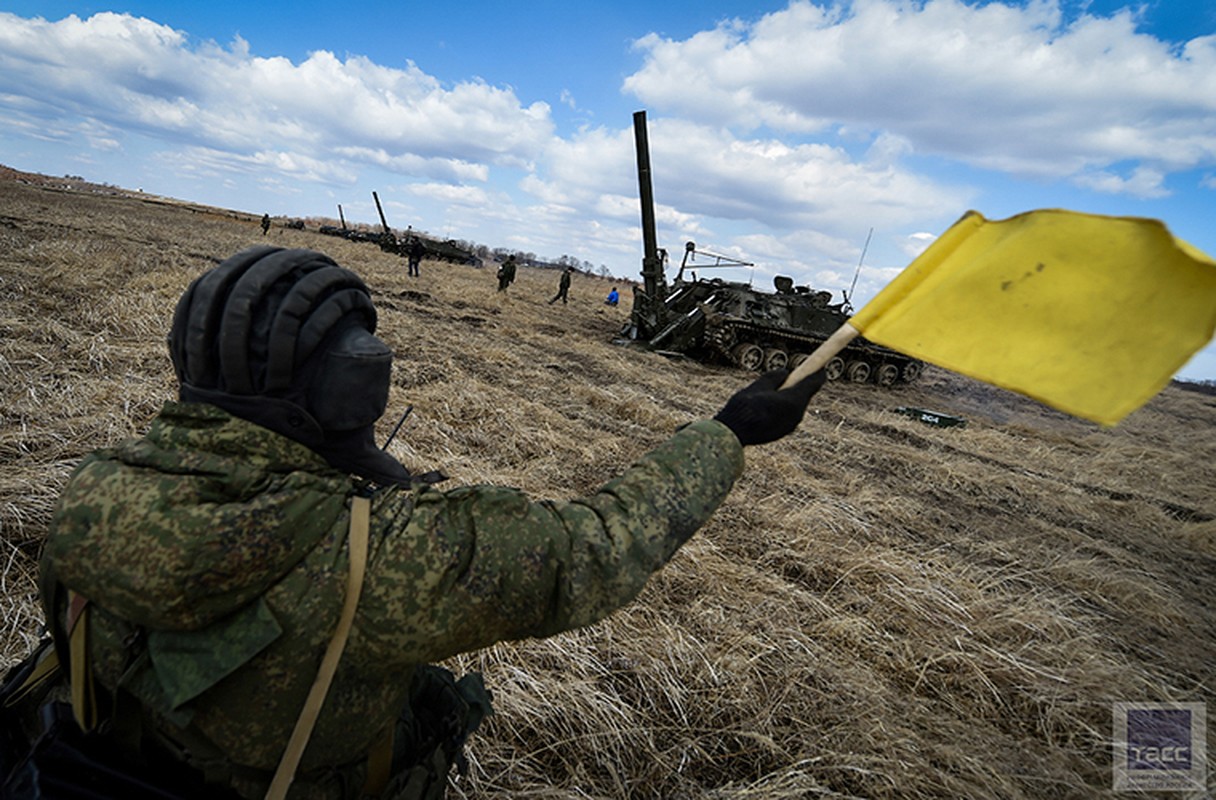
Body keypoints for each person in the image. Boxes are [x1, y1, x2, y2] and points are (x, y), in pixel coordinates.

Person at [1, 246, 826, 800]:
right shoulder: (387, 550)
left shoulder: (95, 489)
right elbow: (591, 548)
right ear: (350, 387)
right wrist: (727, 432)